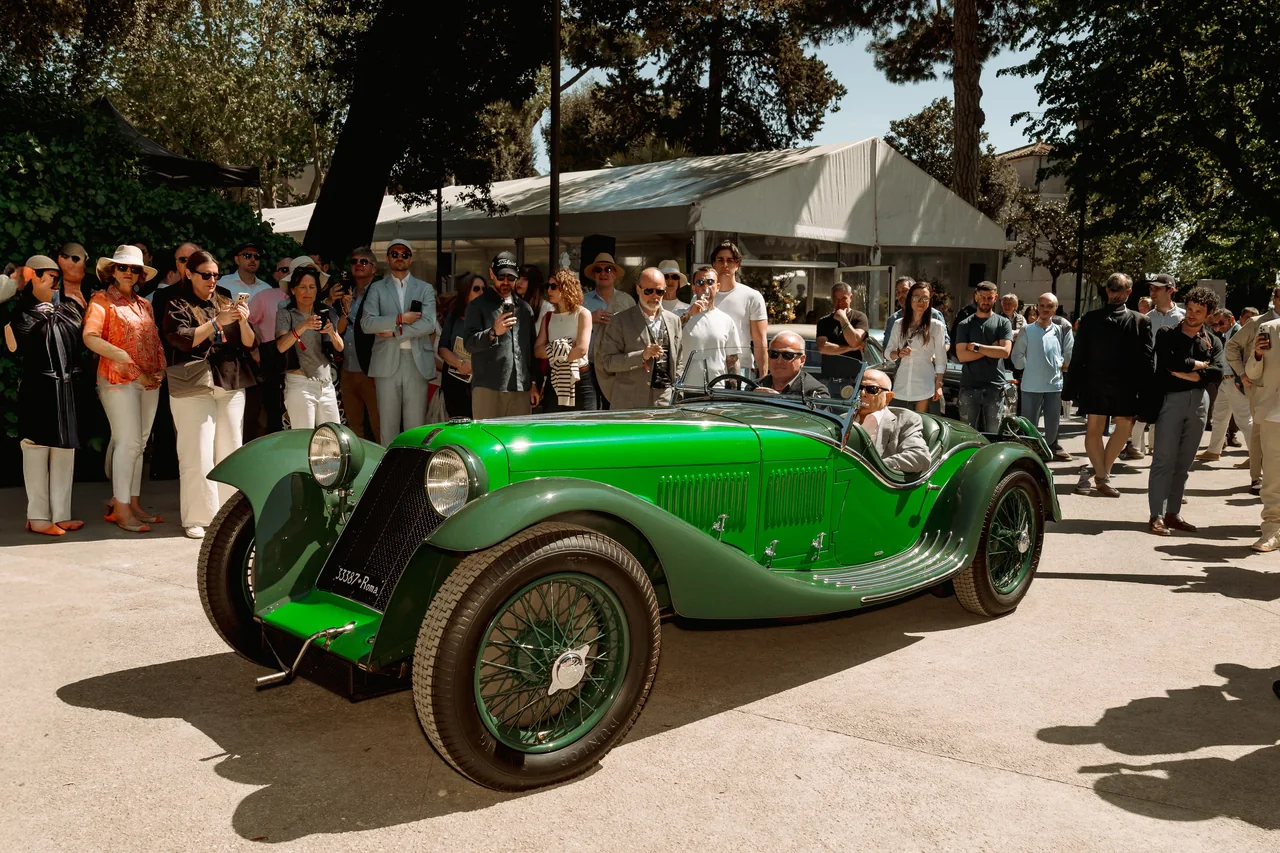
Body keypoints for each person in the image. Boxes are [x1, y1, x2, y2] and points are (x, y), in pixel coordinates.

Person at [163, 251, 257, 539]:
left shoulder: (226, 296)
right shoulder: (175, 302)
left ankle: (229, 517)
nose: (212, 280)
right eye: (206, 275)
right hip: (193, 381)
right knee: (197, 452)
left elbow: (249, 342)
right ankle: (198, 517)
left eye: (215, 274)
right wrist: (217, 322)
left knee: (231, 450)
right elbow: (181, 337)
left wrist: (241, 321)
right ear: (189, 274)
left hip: (229, 378)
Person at [83, 245, 166, 533]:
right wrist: (123, 358)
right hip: (117, 379)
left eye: (134, 269)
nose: (129, 272)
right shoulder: (101, 300)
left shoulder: (145, 304)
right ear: (112, 271)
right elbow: (90, 336)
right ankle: (120, 508)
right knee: (129, 442)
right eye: (123, 267)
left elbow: (154, 341)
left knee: (139, 445)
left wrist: (158, 371)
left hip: (148, 380)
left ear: (141, 274)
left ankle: (131, 503)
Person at [1064, 273, 1154, 498]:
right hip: (1121, 383)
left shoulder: (1091, 319)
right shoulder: (1139, 320)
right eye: (1115, 290)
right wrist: (1147, 390)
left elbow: (1078, 356)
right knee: (1119, 428)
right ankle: (1102, 476)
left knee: (1101, 428)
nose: (1115, 294)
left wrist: (1071, 386)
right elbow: (1146, 360)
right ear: (1129, 292)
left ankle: (1101, 474)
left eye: (1116, 290)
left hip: (1099, 381)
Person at [13, 256, 84, 535]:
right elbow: (14, 346)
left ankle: (61, 513)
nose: (56, 281)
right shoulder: (21, 312)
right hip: (38, 390)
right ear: (33, 276)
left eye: (57, 276)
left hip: (66, 387)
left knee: (65, 450)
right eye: (49, 276)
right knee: (36, 450)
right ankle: (39, 515)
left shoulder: (67, 309)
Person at [1145, 287, 1224, 536]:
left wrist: (1188, 374)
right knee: (1163, 460)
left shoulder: (1213, 340)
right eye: (1189, 309)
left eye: (1199, 311)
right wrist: (1200, 367)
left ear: (1208, 314)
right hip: (1171, 400)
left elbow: (1219, 371)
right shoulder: (1168, 333)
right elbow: (1169, 362)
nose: (1191, 315)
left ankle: (1173, 513)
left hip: (1200, 403)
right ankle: (1156, 515)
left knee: (1184, 463)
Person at [361, 239, 439, 443]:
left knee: (416, 427)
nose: (399, 257)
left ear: (410, 258)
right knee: (388, 426)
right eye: (394, 253)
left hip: (416, 361)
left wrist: (396, 331)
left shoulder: (424, 288)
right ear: (387, 258)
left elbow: (429, 324)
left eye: (404, 254)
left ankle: (414, 471)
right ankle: (389, 473)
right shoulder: (376, 288)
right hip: (386, 362)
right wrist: (400, 319)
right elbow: (367, 324)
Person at [464, 252, 537, 418]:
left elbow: (530, 350)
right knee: (487, 441)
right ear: (491, 274)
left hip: (520, 388)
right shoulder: (477, 306)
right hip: (488, 388)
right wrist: (493, 332)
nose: (505, 282)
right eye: (500, 276)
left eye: (510, 278)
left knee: (519, 442)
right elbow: (469, 343)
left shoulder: (525, 309)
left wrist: (533, 382)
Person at [599, 267, 684, 409]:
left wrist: (676, 390)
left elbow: (679, 361)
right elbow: (608, 362)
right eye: (648, 291)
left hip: (665, 402)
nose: (654, 296)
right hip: (630, 403)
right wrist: (642, 356)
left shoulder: (674, 321)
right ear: (638, 290)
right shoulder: (620, 320)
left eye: (659, 291)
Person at [1226, 286, 1280, 495]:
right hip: (1259, 387)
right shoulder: (1258, 322)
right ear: (1274, 299)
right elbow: (1231, 346)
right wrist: (1242, 373)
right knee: (1258, 433)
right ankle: (1257, 478)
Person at [1125, 274, 1185, 460]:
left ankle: (1163, 455)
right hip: (1152, 378)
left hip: (1178, 379)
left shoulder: (1184, 318)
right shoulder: (1146, 319)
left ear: (1170, 290)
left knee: (1171, 422)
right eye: (1151, 288)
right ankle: (1133, 447)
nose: (1152, 292)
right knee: (1146, 416)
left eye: (1157, 288)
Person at [276, 267, 343, 429]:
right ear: (293, 290)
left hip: (326, 382)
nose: (308, 292)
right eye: (302, 287)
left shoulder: (324, 312)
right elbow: (280, 346)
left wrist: (331, 333)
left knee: (332, 436)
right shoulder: (286, 314)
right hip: (300, 382)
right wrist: (303, 326)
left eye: (312, 287)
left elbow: (339, 347)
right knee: (303, 438)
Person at [1012, 292, 1075, 461]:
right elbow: (1017, 355)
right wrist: (1028, 367)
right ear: (1037, 307)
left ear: (1055, 308)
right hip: (1031, 385)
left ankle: (1049, 451)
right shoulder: (1026, 330)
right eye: (1042, 305)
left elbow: (1068, 353)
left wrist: (1060, 364)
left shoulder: (1060, 330)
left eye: (1049, 306)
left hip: (1054, 385)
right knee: (1029, 425)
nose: (1045, 309)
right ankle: (1030, 455)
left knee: (1053, 424)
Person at [331, 248, 380, 440]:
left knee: (378, 424)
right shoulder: (345, 291)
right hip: (347, 368)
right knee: (353, 426)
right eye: (354, 261)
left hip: (372, 369)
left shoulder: (380, 292)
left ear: (374, 269)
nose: (358, 264)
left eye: (364, 261)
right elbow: (337, 328)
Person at [1242, 315, 1280, 551]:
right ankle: (1272, 531)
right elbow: (1252, 373)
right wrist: (1256, 355)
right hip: (1274, 412)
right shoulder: (1270, 329)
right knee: (1273, 477)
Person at [954, 281, 1013, 432]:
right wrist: (992, 348)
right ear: (976, 297)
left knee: (993, 434)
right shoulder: (964, 324)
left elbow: (1005, 352)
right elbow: (962, 356)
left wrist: (976, 347)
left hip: (995, 387)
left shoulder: (1003, 323)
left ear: (995, 298)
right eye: (982, 297)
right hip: (969, 386)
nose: (985, 301)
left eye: (989, 297)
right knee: (968, 434)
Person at [534, 268, 594, 412]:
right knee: (553, 430)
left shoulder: (583, 314)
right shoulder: (547, 317)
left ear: (566, 287)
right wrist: (563, 347)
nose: (549, 290)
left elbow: (581, 350)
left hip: (580, 380)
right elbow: (537, 351)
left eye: (554, 286)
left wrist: (552, 350)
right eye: (547, 286)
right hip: (555, 379)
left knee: (583, 430)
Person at [582, 252, 636, 409]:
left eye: (608, 269)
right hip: (589, 364)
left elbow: (636, 332)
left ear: (615, 275)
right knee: (588, 411)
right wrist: (589, 318)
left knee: (613, 409)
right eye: (598, 270)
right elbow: (571, 330)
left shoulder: (627, 301)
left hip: (616, 365)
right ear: (594, 275)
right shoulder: (582, 300)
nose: (603, 273)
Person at [886, 281, 947, 412]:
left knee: (921, 426)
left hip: (925, 385)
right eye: (916, 297)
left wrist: (938, 384)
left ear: (930, 300)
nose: (921, 301)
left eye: (925, 298)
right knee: (898, 426)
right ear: (910, 299)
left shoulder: (936, 326)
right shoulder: (898, 324)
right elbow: (887, 353)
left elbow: (941, 359)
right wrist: (898, 354)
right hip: (901, 384)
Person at [854, 369, 930, 473]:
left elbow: (920, 456)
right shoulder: (843, 419)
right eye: (858, 387)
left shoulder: (906, 420)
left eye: (872, 389)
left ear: (888, 397)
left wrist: (876, 467)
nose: (862, 393)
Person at [679, 265, 743, 387]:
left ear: (717, 287)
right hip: (686, 388)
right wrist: (689, 314)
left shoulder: (726, 320)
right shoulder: (680, 316)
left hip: (717, 388)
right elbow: (670, 335)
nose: (705, 286)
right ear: (694, 288)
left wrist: (735, 389)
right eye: (700, 282)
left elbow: (732, 359)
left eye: (710, 282)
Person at [711, 241, 768, 375]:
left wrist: (764, 377)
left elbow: (760, 341)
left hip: (742, 370)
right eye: (720, 260)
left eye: (730, 260)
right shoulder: (701, 297)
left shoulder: (752, 297)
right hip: (708, 369)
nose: (725, 264)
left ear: (737, 265)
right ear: (713, 264)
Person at [1201, 309, 1250, 461]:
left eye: (1221, 322)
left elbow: (1246, 358)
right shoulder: (1226, 334)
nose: (1219, 326)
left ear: (1232, 319)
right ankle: (1214, 451)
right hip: (1226, 380)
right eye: (1216, 324)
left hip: (1235, 381)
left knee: (1244, 420)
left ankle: (1257, 456)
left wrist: (1240, 379)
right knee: (1219, 416)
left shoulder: (1240, 333)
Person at [439, 273, 486, 419]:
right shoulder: (454, 316)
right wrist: (460, 364)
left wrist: (473, 364)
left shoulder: (490, 317)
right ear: (466, 292)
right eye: (476, 289)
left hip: (481, 384)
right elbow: (442, 347)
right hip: (454, 383)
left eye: (484, 289)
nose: (481, 293)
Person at [816, 282, 870, 383]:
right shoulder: (824, 322)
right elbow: (823, 348)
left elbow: (854, 340)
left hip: (854, 378)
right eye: (836, 299)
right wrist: (851, 348)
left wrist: (843, 318)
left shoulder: (859, 317)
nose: (840, 303)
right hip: (830, 378)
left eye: (844, 298)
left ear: (851, 297)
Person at [883, 275, 949, 350]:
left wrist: (934, 356)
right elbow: (886, 349)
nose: (901, 295)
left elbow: (945, 343)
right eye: (898, 292)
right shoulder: (894, 319)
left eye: (905, 291)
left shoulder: (934, 315)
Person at [756, 330, 830, 397]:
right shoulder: (756, 387)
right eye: (773, 354)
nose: (779, 361)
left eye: (787, 355)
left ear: (802, 360)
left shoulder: (815, 392)